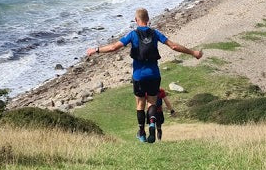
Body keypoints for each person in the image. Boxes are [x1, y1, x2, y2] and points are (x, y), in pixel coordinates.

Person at [86, 8, 202, 143]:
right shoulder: (155, 33)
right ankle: (152, 123)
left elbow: (113, 47)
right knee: (152, 102)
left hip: (139, 76)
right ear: (148, 20)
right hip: (154, 75)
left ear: (136, 20)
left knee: (140, 104)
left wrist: (96, 50)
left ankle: (142, 133)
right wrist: (193, 52)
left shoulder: (133, 34)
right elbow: (174, 46)